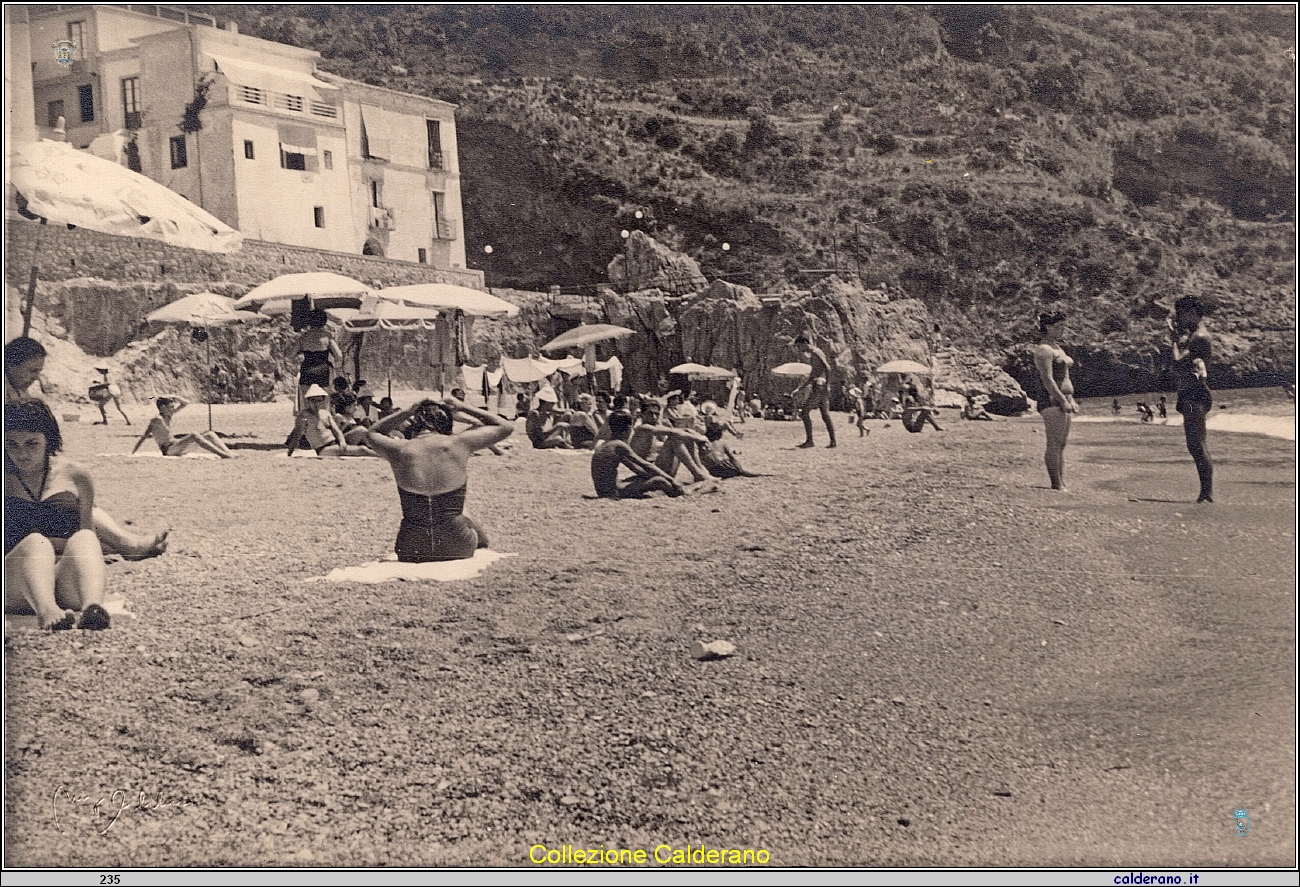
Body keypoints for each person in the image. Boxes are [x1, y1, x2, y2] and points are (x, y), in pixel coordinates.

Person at [4, 337, 168, 560]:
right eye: (32, 371)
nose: (35, 378)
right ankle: (119, 545)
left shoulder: (18, 392)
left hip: (21, 467)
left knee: (69, 491)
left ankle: (111, 544)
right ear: (11, 364)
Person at [365, 396, 512, 562]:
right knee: (462, 510)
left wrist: (407, 411)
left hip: (411, 548)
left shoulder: (399, 449)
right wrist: (463, 406)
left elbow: (372, 433)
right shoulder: (459, 443)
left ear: (416, 425)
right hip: (457, 546)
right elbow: (505, 426)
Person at [5, 400, 110, 630]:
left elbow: (87, 533)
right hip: (14, 582)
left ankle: (92, 607)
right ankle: (47, 611)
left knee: (85, 538)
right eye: (11, 444)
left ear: (48, 440)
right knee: (35, 542)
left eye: (31, 443)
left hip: (62, 580)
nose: (21, 454)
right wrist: (47, 546)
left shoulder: (75, 475)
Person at [1169, 295, 1214, 503]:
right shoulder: (1196, 335)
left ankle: (1207, 493)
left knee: (1197, 444)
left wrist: (1172, 339)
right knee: (1194, 444)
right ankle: (1205, 491)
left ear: (1192, 312)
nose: (1179, 318)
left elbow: (1178, 360)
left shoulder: (1200, 337)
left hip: (1195, 392)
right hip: (1192, 391)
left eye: (1181, 314)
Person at [591, 411, 686, 499]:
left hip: (602, 491)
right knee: (660, 481)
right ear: (628, 428)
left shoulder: (606, 444)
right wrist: (671, 480)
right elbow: (645, 464)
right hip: (612, 492)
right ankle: (680, 494)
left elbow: (634, 467)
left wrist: (648, 476)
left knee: (644, 477)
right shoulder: (619, 445)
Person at [1031, 311, 1077, 491]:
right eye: (1058, 327)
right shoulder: (1044, 349)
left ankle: (1061, 481)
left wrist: (1071, 399)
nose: (1062, 330)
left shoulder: (1057, 347)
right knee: (1054, 442)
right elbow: (1047, 379)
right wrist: (1061, 400)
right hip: (1051, 399)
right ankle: (1055, 483)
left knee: (1062, 443)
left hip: (1064, 398)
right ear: (1048, 327)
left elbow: (1065, 376)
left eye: (1063, 326)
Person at [132, 397, 236, 458]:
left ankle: (228, 453)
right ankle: (224, 455)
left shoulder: (168, 415)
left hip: (176, 446)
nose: (173, 409)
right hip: (169, 450)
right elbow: (144, 437)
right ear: (163, 408)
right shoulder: (157, 420)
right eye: (171, 407)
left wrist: (174, 396)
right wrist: (133, 453)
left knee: (210, 434)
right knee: (194, 435)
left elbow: (185, 403)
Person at [287, 385, 374, 457]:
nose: (316, 403)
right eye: (313, 401)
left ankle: (380, 448)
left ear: (322, 401)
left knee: (361, 430)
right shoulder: (304, 417)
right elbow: (296, 436)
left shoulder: (325, 413)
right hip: (323, 449)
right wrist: (289, 453)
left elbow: (336, 430)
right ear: (308, 401)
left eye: (318, 401)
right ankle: (382, 455)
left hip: (335, 442)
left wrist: (342, 441)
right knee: (362, 449)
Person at [792, 335, 837, 448]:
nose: (799, 349)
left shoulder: (816, 352)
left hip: (820, 386)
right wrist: (799, 389)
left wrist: (827, 385)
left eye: (799, 346)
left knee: (804, 412)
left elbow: (827, 368)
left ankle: (810, 441)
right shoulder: (814, 354)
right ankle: (833, 441)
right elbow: (812, 376)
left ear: (805, 343)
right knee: (825, 415)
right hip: (819, 386)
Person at [295, 309, 343, 410]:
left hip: (307, 369)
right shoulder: (327, 336)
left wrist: (300, 355)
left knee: (307, 403)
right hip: (322, 370)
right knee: (324, 403)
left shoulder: (304, 336)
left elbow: (289, 354)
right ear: (324, 321)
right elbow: (338, 355)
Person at [698, 424, 763, 479]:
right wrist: (740, 469)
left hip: (711, 470)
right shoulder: (722, 443)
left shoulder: (702, 444)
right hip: (725, 468)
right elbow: (732, 458)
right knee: (740, 471)